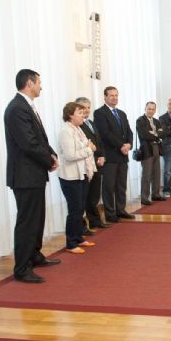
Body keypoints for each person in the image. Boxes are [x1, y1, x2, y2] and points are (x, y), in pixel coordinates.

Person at [4, 69, 60, 283]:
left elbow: (40, 138)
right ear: (29, 83)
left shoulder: (26, 106)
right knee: (27, 221)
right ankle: (22, 268)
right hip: (25, 174)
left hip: (34, 173)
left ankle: (34, 255)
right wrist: (48, 160)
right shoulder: (17, 108)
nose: (41, 86)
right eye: (38, 82)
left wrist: (51, 154)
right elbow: (28, 143)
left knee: (37, 219)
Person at [58, 102, 97, 254]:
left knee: (80, 208)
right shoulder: (65, 131)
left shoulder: (78, 129)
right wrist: (88, 149)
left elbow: (86, 145)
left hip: (81, 174)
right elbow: (70, 155)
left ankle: (79, 237)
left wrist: (88, 148)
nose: (83, 115)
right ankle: (71, 242)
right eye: (80, 112)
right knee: (74, 210)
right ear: (70, 115)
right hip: (70, 176)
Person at [93, 86, 135, 222]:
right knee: (109, 187)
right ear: (105, 97)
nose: (114, 98)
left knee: (121, 185)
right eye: (111, 95)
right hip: (110, 156)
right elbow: (105, 134)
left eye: (116, 95)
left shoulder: (121, 113)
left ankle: (121, 210)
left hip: (123, 155)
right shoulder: (100, 113)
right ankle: (110, 214)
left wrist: (129, 144)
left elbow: (129, 131)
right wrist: (121, 145)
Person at [76, 97, 110, 230]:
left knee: (95, 195)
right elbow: (84, 146)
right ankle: (82, 225)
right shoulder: (77, 126)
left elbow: (99, 141)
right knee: (84, 196)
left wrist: (102, 156)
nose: (86, 110)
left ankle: (95, 220)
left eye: (88, 107)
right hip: (86, 164)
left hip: (98, 163)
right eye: (83, 107)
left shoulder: (91, 123)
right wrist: (95, 157)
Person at [136, 101, 165, 205]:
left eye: (153, 109)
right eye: (149, 108)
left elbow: (163, 133)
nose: (151, 111)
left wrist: (154, 133)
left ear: (155, 110)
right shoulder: (140, 120)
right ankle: (144, 197)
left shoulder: (157, 121)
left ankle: (155, 194)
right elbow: (145, 135)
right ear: (145, 108)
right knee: (146, 174)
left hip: (157, 148)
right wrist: (156, 134)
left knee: (157, 173)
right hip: (147, 149)